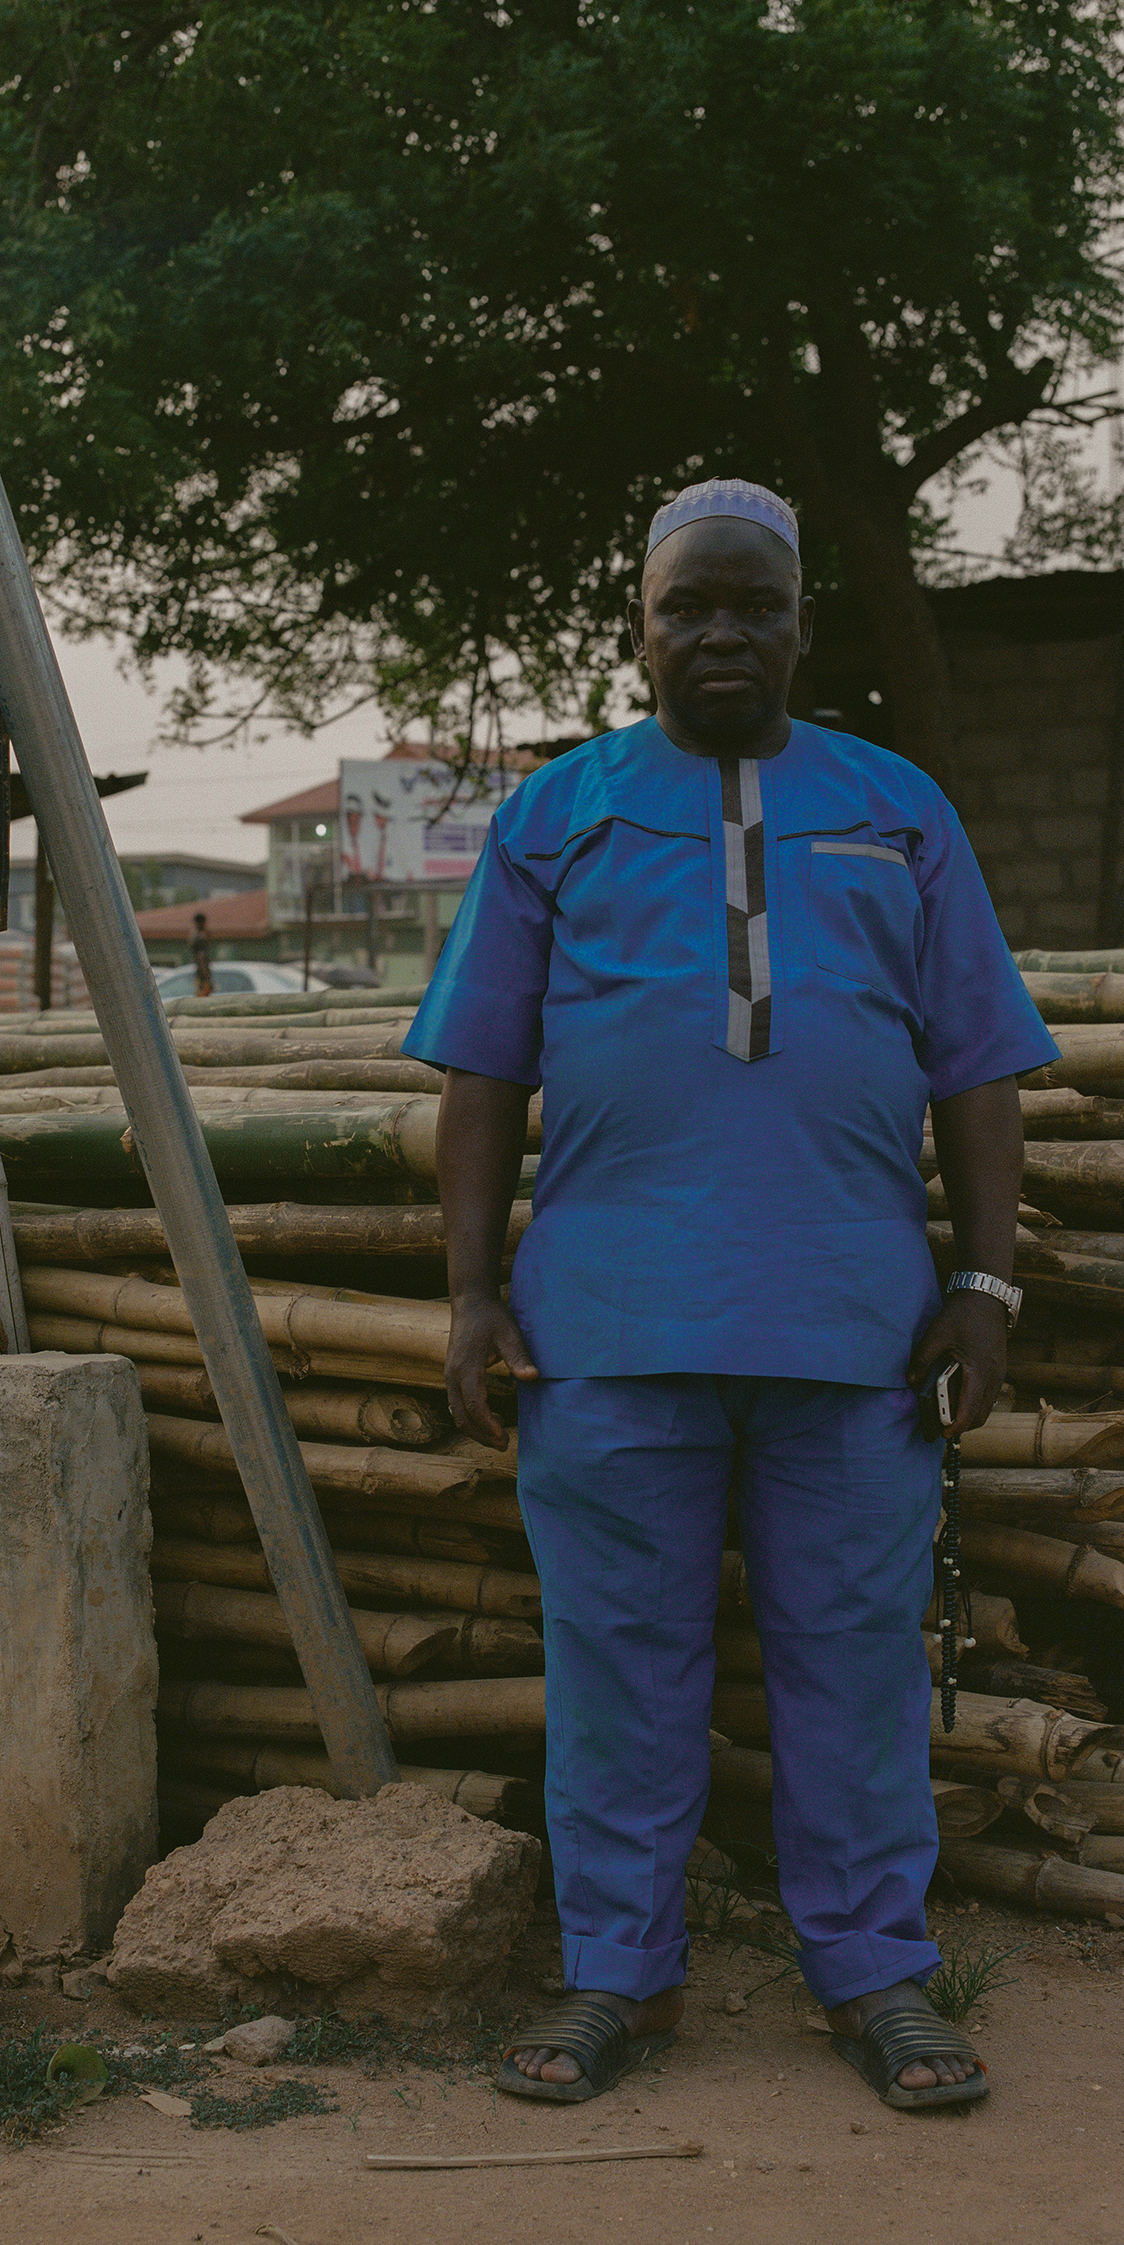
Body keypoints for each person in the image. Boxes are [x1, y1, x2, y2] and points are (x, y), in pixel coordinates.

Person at [404, 478, 1057, 2114]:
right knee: (620, 1660)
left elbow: (978, 1064)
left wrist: (983, 1278)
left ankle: (879, 1974)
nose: (718, 633)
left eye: (749, 605)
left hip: (855, 1330)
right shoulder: (559, 814)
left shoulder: (896, 806)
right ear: (637, 626)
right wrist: (472, 1293)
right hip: (606, 1330)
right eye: (686, 606)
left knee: (853, 1658)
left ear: (799, 625)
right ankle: (617, 1973)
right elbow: (483, 1066)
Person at [189, 909, 214, 997]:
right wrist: (206, 975)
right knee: (203, 996)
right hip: (202, 973)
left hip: (199, 972)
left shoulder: (194, 935)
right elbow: (201, 956)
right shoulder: (200, 937)